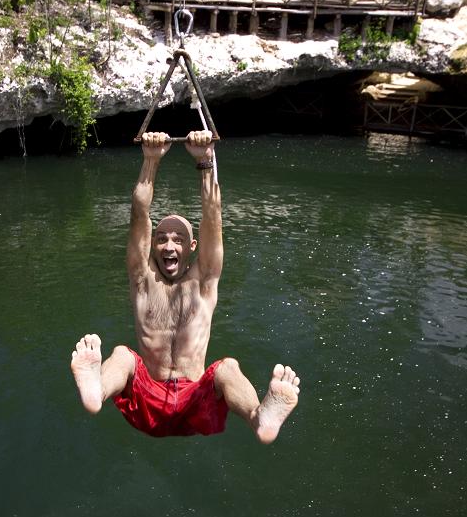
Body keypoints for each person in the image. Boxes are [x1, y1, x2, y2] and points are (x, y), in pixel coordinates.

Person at [71, 130, 300, 442]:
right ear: (152, 245)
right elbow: (139, 212)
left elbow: (212, 215)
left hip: (196, 399)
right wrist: (150, 161)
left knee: (226, 369)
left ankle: (261, 418)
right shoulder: (142, 279)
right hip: (147, 397)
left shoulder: (204, 281)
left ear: (192, 246)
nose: (169, 245)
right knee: (124, 356)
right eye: (162, 238)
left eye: (178, 239)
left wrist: (206, 161)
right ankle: (96, 390)